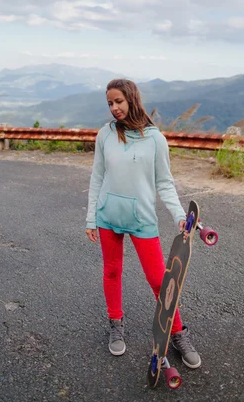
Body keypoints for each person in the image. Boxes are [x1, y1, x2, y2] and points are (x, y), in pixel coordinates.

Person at [85, 78, 201, 368]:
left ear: (132, 99)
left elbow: (165, 182)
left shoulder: (155, 139)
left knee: (159, 280)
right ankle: (115, 323)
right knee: (112, 272)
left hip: (142, 219)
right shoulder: (105, 135)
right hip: (108, 217)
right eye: (110, 103)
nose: (114, 108)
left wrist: (178, 216)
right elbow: (97, 177)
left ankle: (177, 334)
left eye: (119, 101)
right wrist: (90, 217)